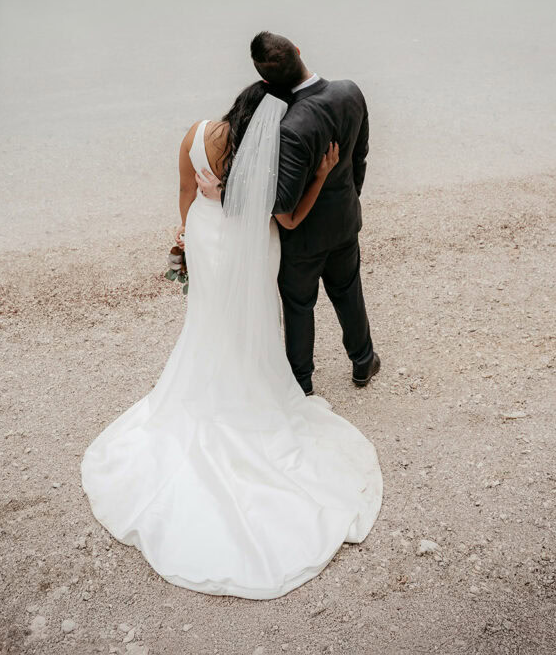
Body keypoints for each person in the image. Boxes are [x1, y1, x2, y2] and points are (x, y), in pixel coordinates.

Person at [81, 81, 382, 600]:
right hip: (245, 247)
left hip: (202, 237)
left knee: (207, 319)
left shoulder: (196, 134)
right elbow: (285, 217)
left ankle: (208, 389)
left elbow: (183, 192)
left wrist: (186, 235)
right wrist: (319, 175)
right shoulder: (257, 157)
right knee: (253, 321)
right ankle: (254, 388)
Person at [199, 33, 379, 397]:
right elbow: (360, 156)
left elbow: (280, 203)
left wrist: (222, 192)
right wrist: (349, 198)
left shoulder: (291, 127)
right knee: (348, 291)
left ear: (266, 81)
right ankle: (363, 361)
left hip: (304, 238)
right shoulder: (350, 92)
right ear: (298, 50)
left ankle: (302, 383)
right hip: (345, 219)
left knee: (299, 305)